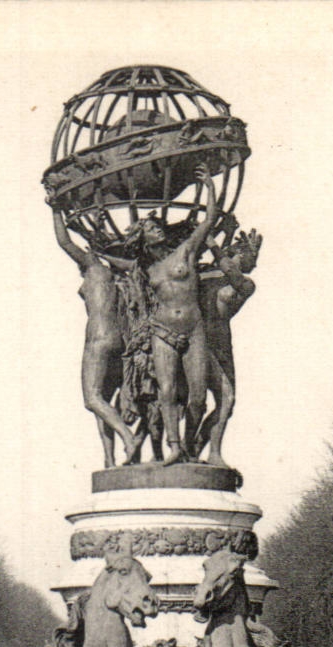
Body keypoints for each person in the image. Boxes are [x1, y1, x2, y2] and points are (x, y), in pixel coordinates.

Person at [131, 168, 221, 465]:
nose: (157, 230)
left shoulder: (185, 252)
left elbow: (208, 220)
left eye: (158, 226)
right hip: (162, 331)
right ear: (143, 239)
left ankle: (190, 444)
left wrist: (208, 186)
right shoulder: (145, 270)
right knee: (166, 390)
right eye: (150, 229)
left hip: (193, 328)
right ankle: (174, 446)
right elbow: (113, 261)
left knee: (197, 397)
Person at [54, 209, 140, 467]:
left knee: (92, 398)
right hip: (122, 342)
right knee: (105, 402)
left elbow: (64, 241)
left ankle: (128, 437)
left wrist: (56, 209)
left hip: (99, 339)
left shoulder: (94, 269)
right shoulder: (126, 277)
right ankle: (109, 462)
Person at [195, 217, 261, 467]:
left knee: (227, 400)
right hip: (198, 341)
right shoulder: (206, 272)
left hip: (220, 345)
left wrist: (214, 241)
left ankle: (209, 452)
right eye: (251, 257)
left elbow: (228, 269)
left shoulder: (245, 284)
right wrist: (221, 234)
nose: (254, 264)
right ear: (237, 253)